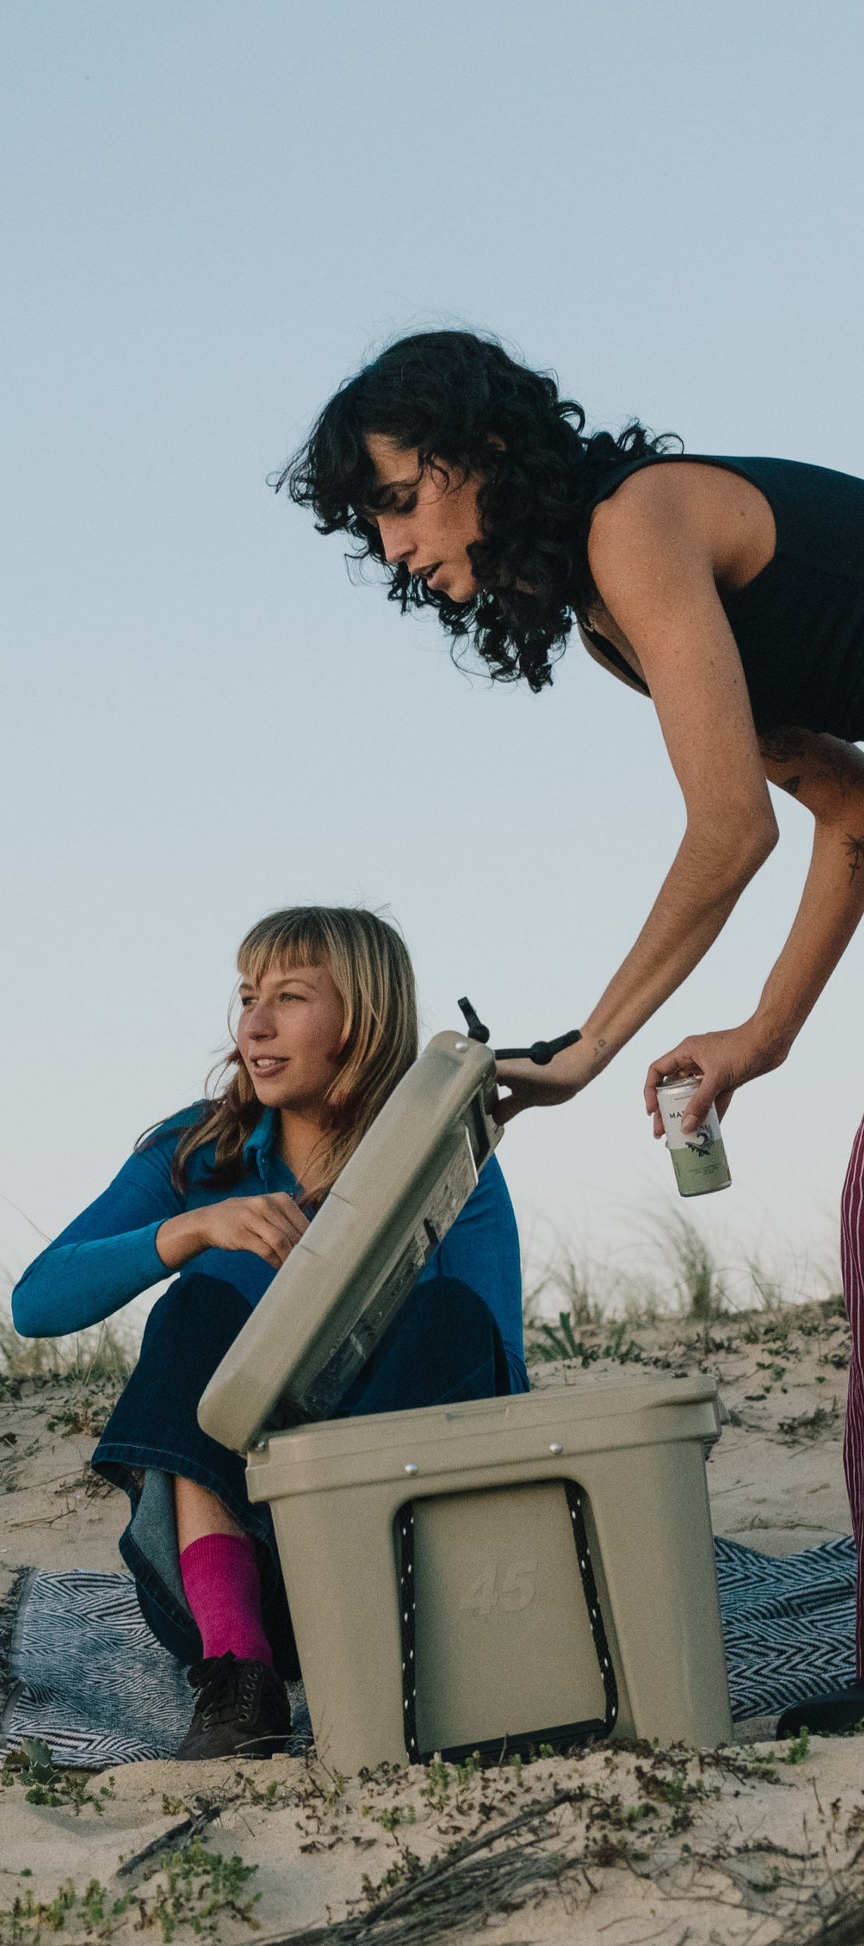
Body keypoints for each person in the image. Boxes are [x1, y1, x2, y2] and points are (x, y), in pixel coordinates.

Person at [281, 328, 864, 1732]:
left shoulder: (639, 523)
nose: (392, 544)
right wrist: (761, 1037)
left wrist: (591, 1046)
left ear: (474, 453)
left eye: (399, 496)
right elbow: (846, 807)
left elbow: (724, 830)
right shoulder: (616, 621)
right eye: (371, 523)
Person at [11, 907, 522, 1759]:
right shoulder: (200, 1149)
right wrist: (192, 1230)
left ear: (361, 1018)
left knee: (451, 1319)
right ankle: (239, 1679)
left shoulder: (447, 1158)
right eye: (248, 997)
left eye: (289, 997)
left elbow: (498, 1376)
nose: (254, 1024)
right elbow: (37, 1305)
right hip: (246, 1586)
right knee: (198, 1307)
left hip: (403, 1565)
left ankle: (387, 1646)